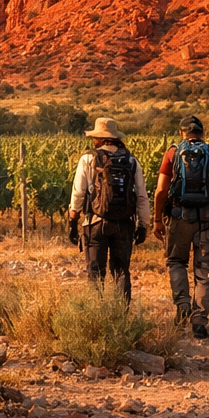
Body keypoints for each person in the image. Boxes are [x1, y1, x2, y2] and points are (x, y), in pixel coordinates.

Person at [153, 115, 209, 338]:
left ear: (182, 133)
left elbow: (160, 191)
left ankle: (182, 306)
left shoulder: (172, 153)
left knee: (176, 261)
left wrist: (157, 219)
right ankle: (199, 321)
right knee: (205, 268)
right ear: (202, 133)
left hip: (180, 216)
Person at [67, 117, 151, 301]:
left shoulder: (88, 159)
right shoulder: (131, 161)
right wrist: (143, 225)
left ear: (98, 139)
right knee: (121, 272)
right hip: (124, 224)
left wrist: (73, 221)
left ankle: (98, 315)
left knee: (95, 273)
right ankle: (122, 317)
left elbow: (78, 194)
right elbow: (142, 197)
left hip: (95, 223)